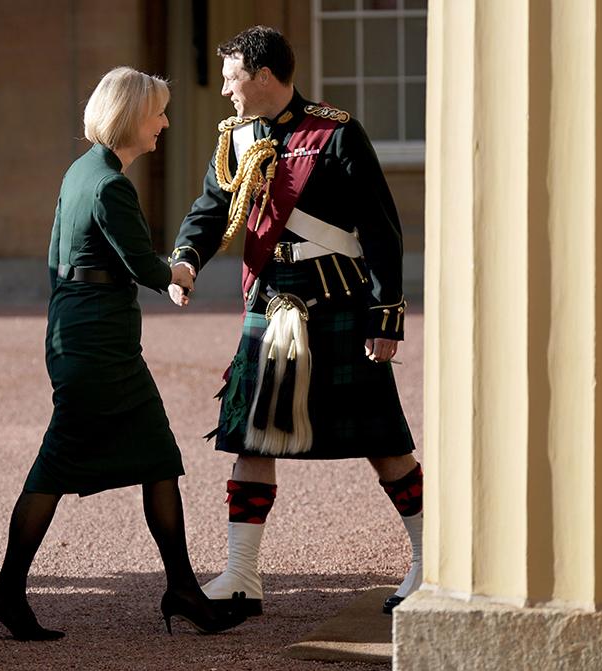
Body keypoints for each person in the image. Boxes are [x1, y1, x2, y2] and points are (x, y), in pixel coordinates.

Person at [0, 66, 244, 640]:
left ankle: (181, 589)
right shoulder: (110, 184)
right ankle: (6, 591)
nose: (165, 122)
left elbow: (56, 262)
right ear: (132, 118)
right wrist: (178, 271)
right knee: (57, 467)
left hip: (87, 337)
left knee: (157, 458)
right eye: (158, 113)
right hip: (99, 347)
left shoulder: (81, 171)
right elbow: (144, 264)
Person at [169, 26, 422, 617]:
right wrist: (185, 261)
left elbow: (381, 230)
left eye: (232, 77)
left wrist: (385, 317)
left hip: (337, 302)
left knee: (382, 439)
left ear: (262, 76)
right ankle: (240, 576)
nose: (226, 89)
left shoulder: (335, 132)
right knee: (250, 436)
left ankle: (427, 557)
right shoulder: (234, 137)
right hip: (270, 300)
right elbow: (210, 209)